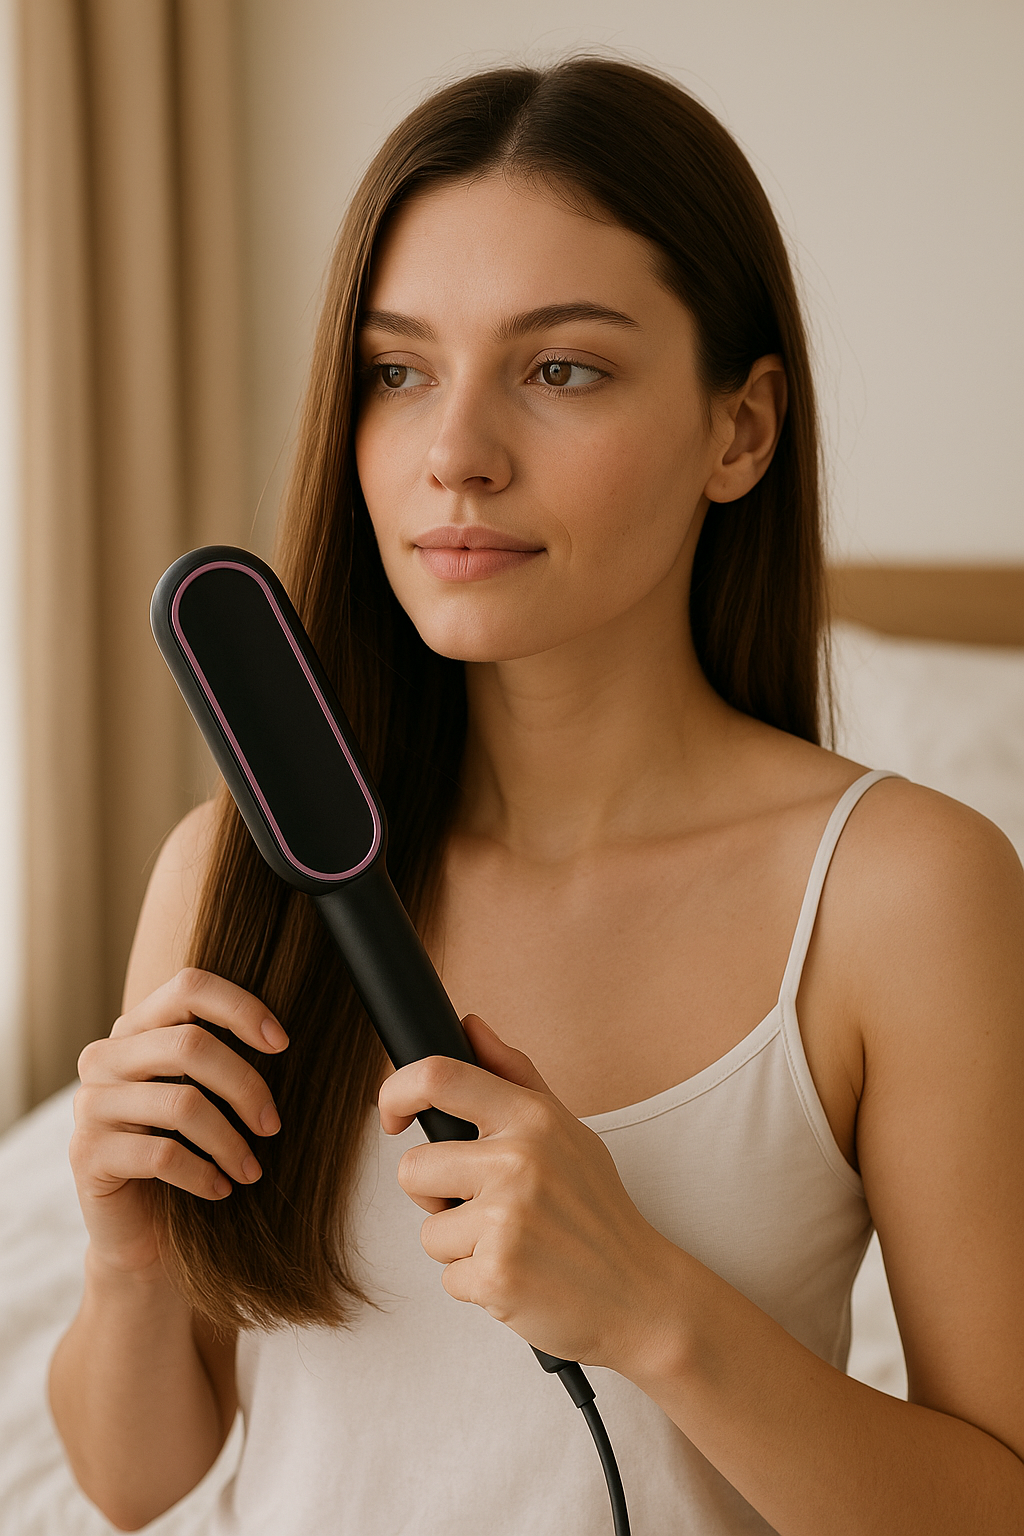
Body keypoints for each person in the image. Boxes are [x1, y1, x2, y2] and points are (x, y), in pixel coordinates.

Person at [49, 57, 1024, 1535]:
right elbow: (141, 1484)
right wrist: (125, 1262)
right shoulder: (231, 874)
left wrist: (648, 1306)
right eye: (399, 371)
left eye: (561, 368)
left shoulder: (902, 895)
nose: (455, 457)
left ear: (740, 430)